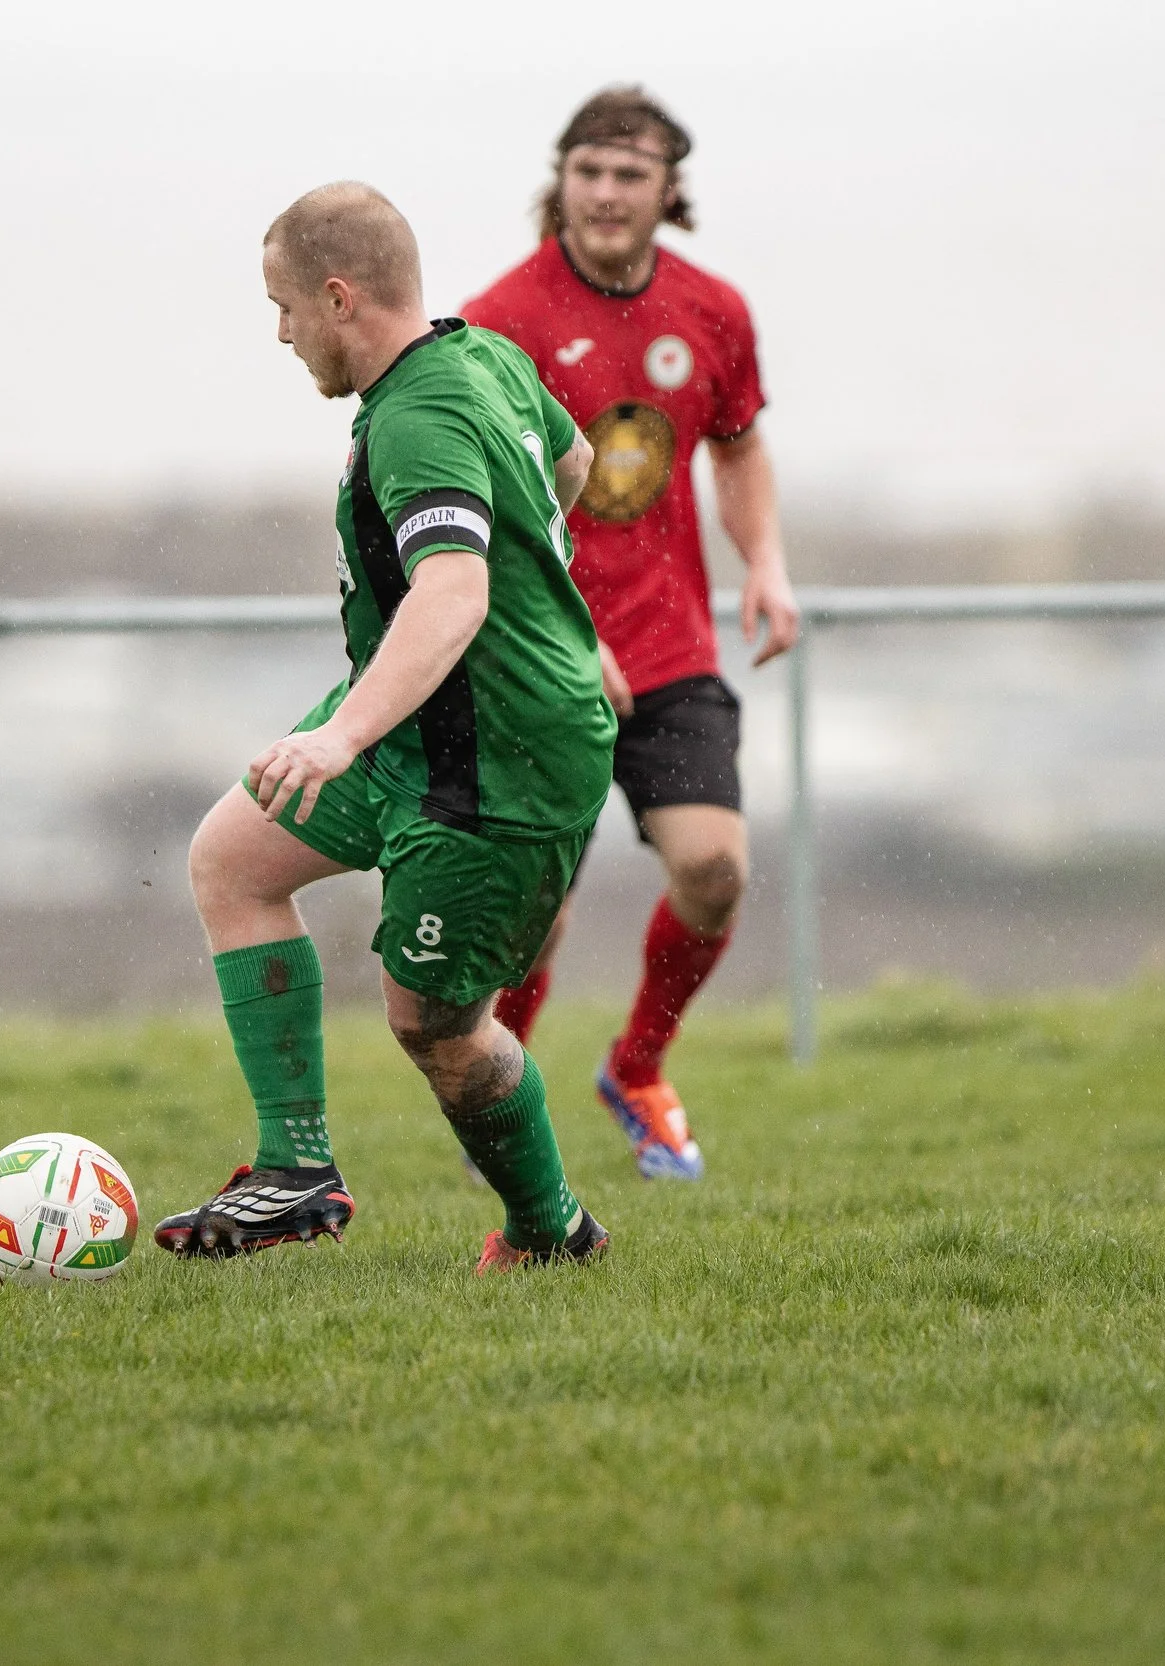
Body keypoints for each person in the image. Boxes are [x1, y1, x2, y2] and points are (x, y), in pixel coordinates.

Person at [154, 181, 615, 1274]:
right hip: (421, 722)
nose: (279, 332)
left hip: (496, 759)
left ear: (339, 295)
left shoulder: (414, 417)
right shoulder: (486, 355)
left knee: (439, 1030)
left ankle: (554, 1234)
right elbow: (574, 469)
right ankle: (295, 1168)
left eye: (283, 306)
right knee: (232, 860)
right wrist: (548, 609)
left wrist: (341, 736)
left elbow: (451, 593)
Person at [461, 87, 801, 1183]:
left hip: (666, 652)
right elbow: (487, 504)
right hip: (537, 658)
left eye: (629, 175)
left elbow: (738, 447)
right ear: (560, 182)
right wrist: (563, 632)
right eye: (588, 171)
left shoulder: (714, 311)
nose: (605, 193)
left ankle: (637, 1067)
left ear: (668, 192)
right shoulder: (496, 322)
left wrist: (765, 563)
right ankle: (496, 1105)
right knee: (535, 924)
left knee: (715, 869)